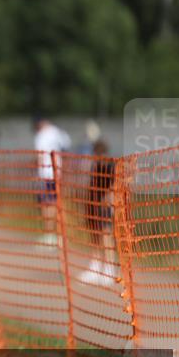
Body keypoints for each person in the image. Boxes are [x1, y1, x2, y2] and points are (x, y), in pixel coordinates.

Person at [77, 140, 117, 286]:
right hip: (93, 203)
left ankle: (109, 269)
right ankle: (95, 266)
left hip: (105, 205)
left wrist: (110, 199)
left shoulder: (110, 165)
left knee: (106, 235)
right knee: (94, 235)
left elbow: (114, 185)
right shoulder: (94, 166)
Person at [33, 115, 71, 247]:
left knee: (46, 204)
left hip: (46, 173)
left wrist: (37, 173)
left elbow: (40, 155)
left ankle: (49, 235)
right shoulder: (58, 132)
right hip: (57, 172)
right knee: (57, 203)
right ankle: (61, 235)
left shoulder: (41, 135)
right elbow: (66, 148)